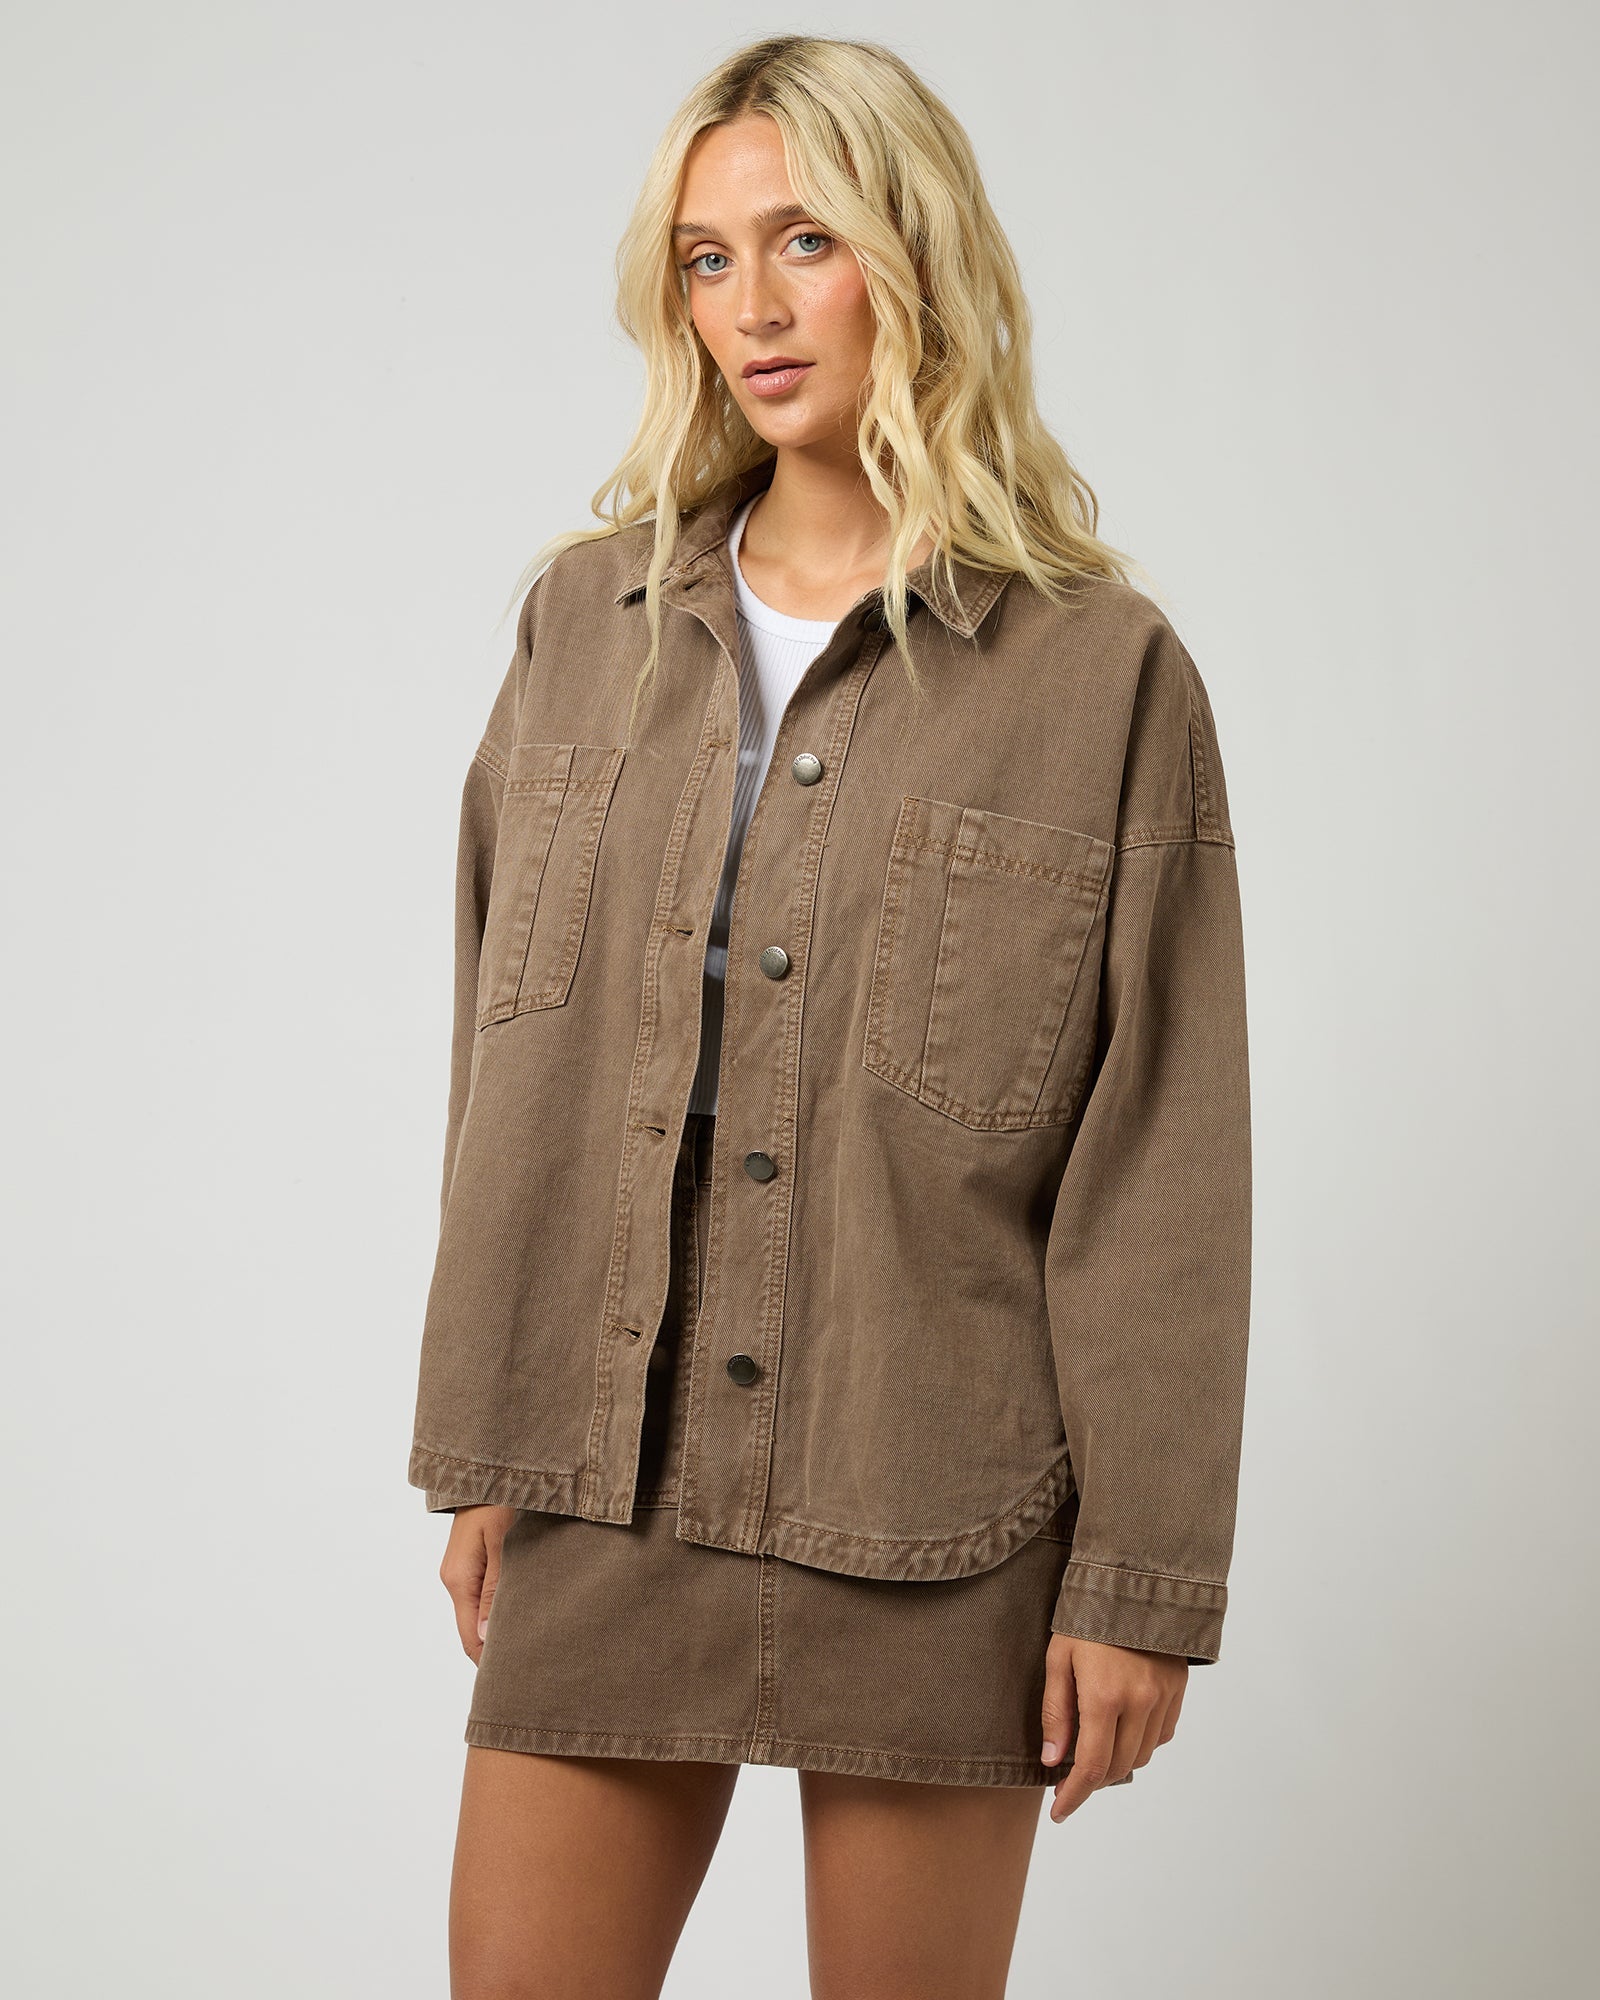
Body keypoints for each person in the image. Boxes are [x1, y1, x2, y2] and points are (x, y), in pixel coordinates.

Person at [410, 33, 1252, 2000]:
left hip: (931, 1486)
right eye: (707, 260)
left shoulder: (1100, 673)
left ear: (916, 250)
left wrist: (1139, 1580)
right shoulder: (581, 626)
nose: (753, 308)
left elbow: (1160, 1153)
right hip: (607, 1466)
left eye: (806, 240)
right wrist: (494, 1437)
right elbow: (501, 1053)